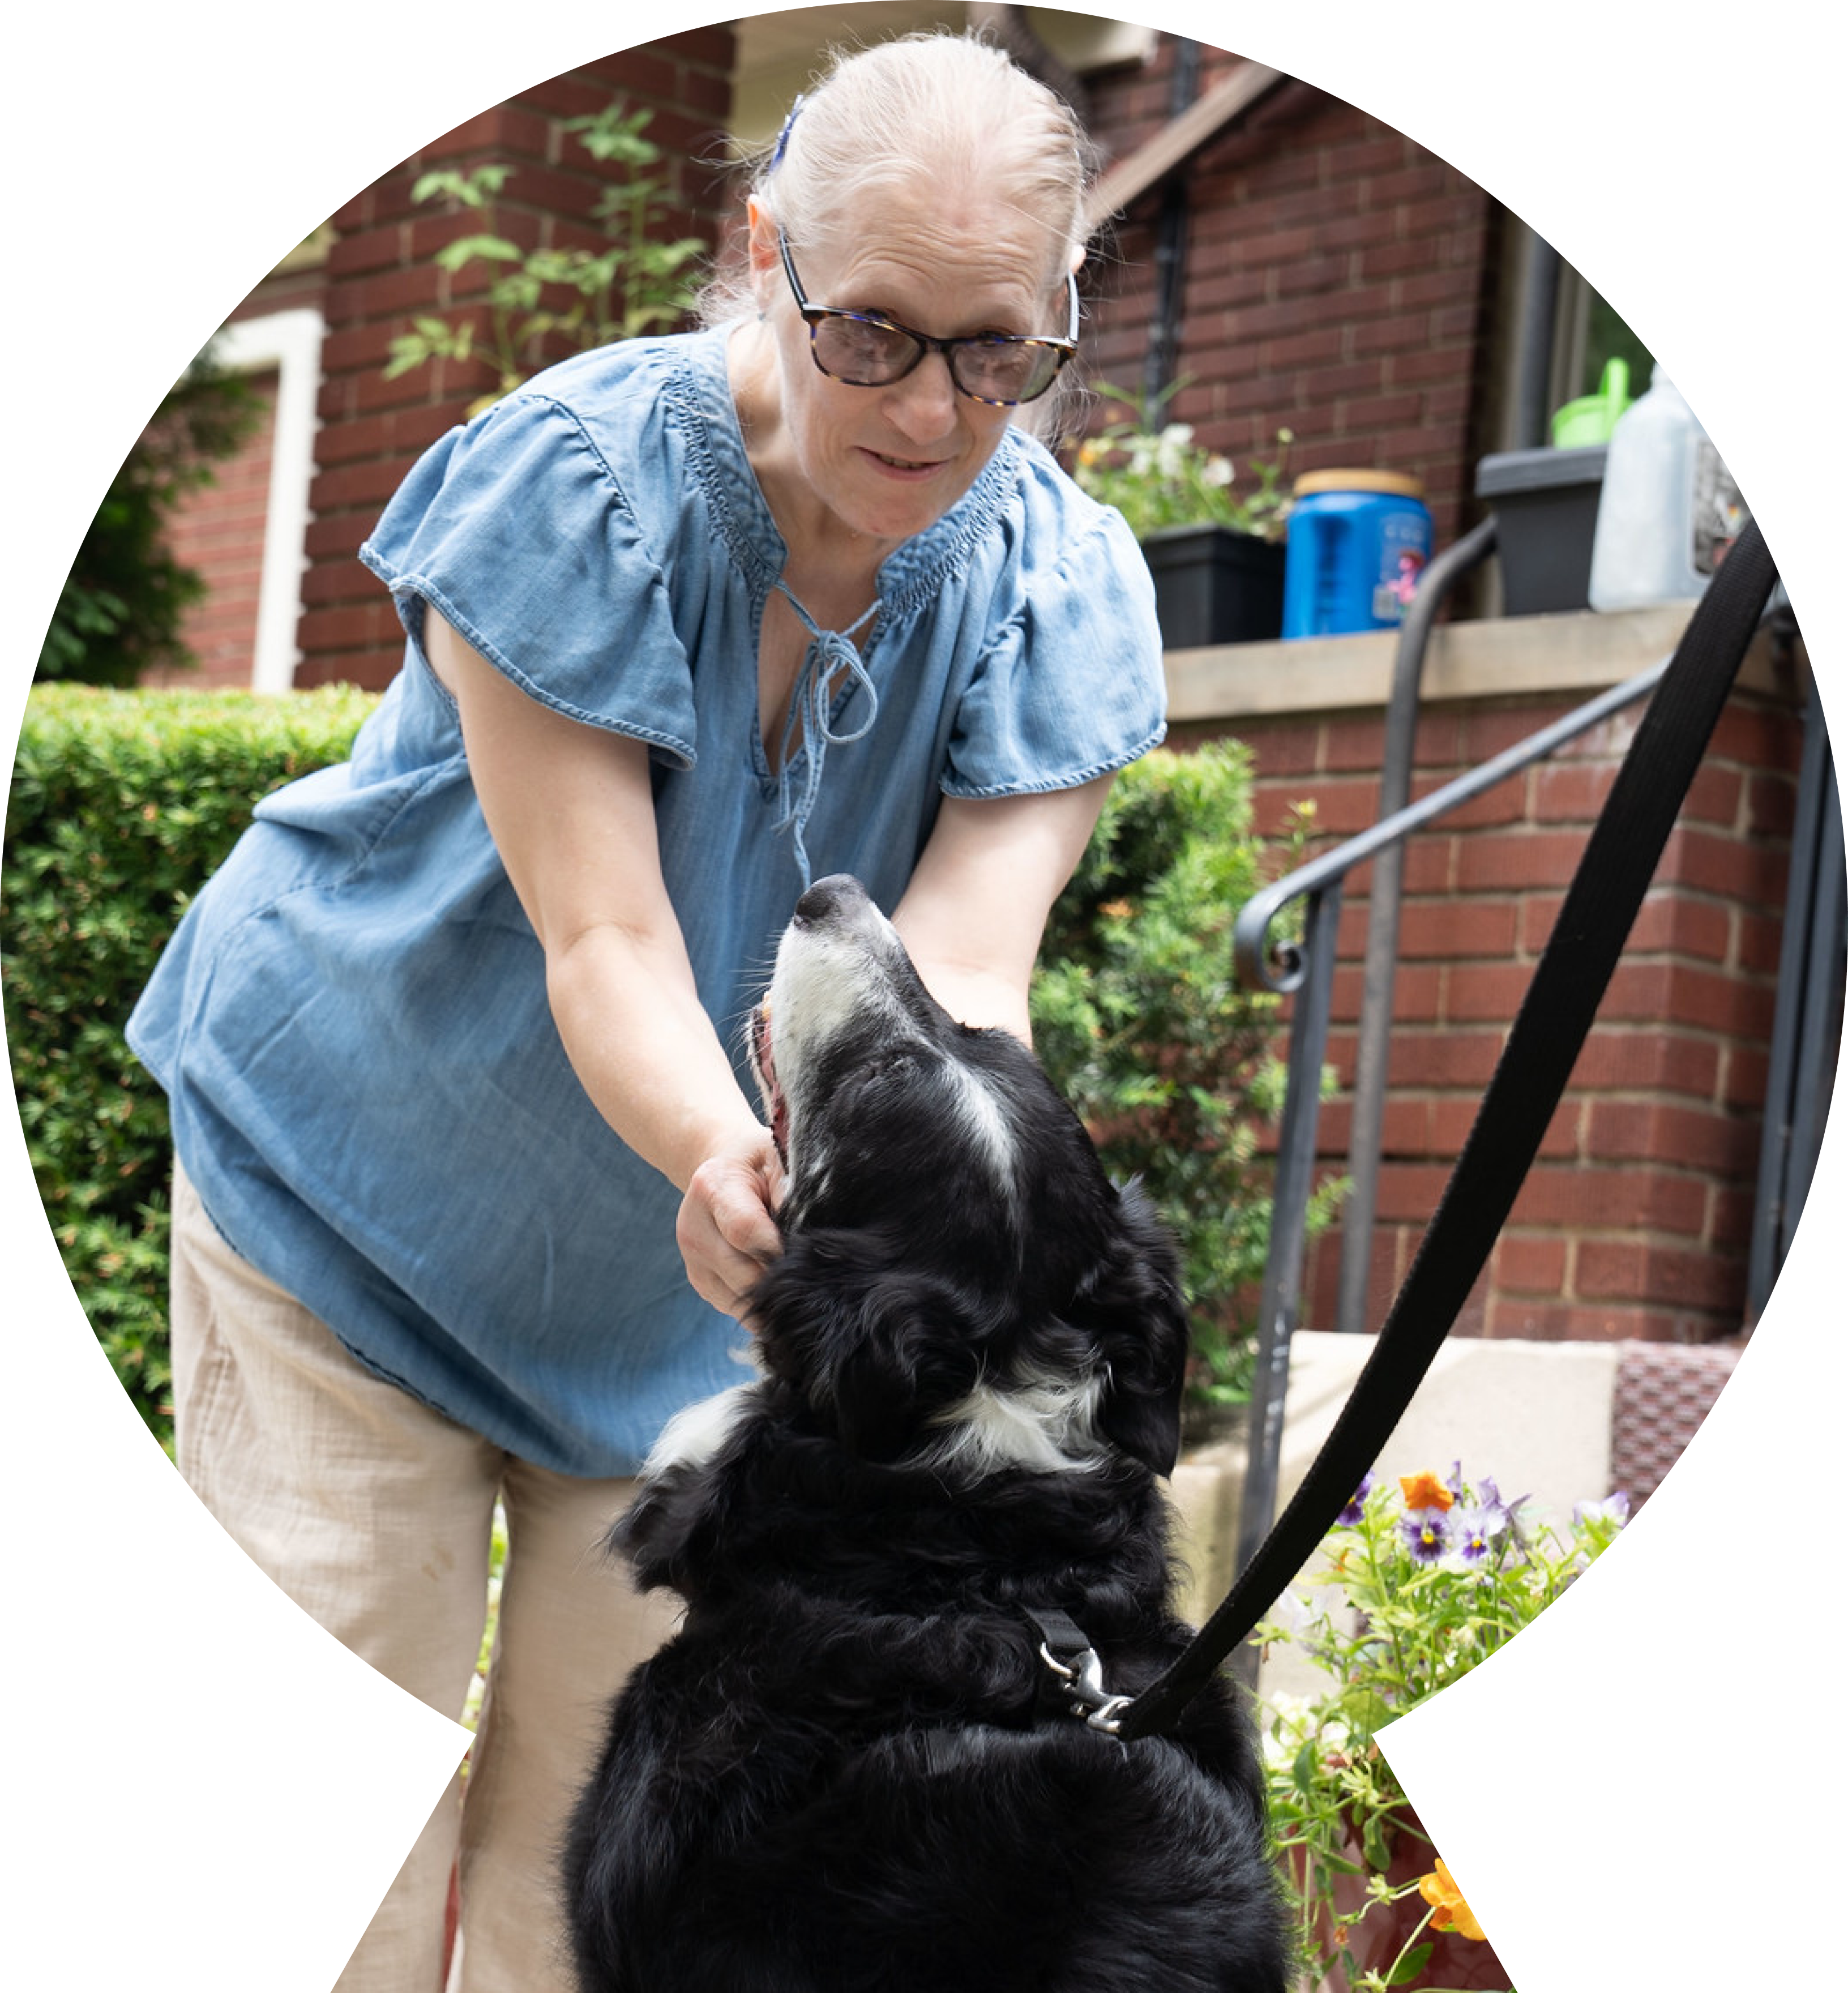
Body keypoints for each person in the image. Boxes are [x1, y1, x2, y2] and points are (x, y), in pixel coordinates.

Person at [128, 29, 1166, 1992]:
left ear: (1059, 321)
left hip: (679, 1328)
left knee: (604, 1880)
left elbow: (961, 984)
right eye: (871, 332)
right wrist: (717, 1152)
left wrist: (877, 1246)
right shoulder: (583, 485)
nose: (934, 409)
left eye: (994, 350)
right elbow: (606, 942)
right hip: (351, 1202)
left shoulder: (1054, 586)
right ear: (762, 250)